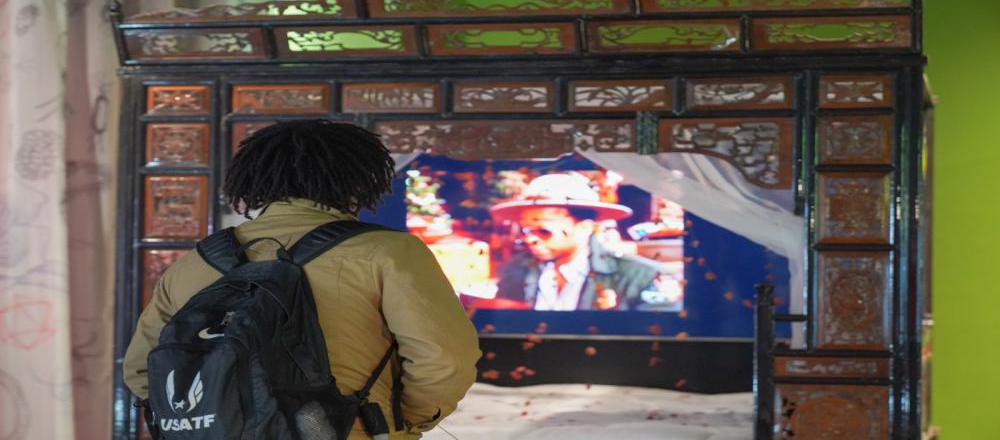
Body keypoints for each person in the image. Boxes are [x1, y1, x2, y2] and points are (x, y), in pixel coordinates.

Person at [123, 120, 481, 439]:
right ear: (359, 180)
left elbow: (141, 369)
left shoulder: (193, 264)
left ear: (256, 181)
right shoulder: (389, 253)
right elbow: (444, 360)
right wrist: (397, 421)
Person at [492, 173, 683, 311]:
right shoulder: (517, 269)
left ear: (584, 228)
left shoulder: (643, 276)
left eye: (543, 231)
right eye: (525, 231)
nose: (530, 240)